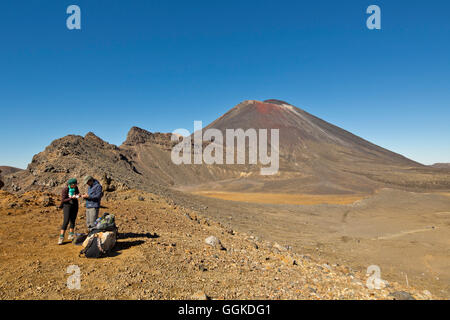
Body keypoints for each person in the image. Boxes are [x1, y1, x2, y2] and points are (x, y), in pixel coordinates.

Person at [59, 178, 80, 245]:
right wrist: (71, 198)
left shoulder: (76, 188)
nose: (76, 185)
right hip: (67, 206)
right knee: (66, 221)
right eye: (75, 184)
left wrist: (78, 195)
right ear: (72, 184)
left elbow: (77, 193)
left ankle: (71, 235)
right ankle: (61, 237)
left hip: (74, 205)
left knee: (73, 220)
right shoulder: (65, 189)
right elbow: (63, 200)